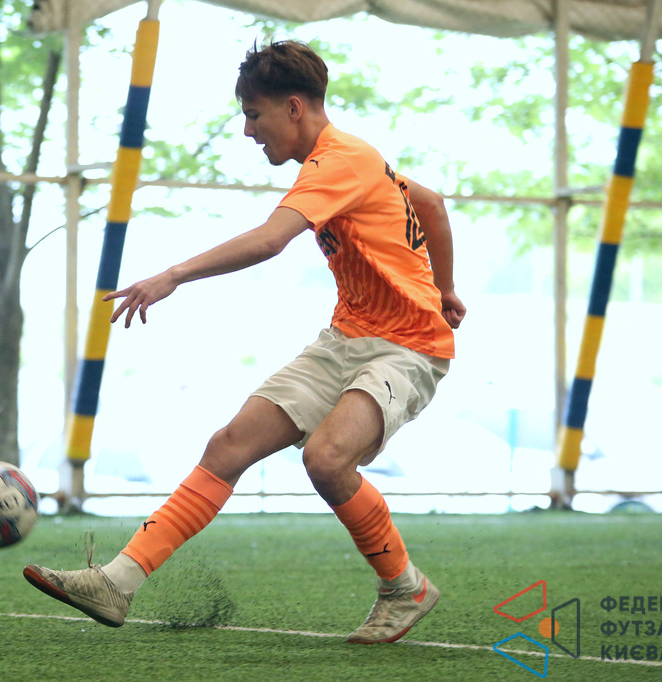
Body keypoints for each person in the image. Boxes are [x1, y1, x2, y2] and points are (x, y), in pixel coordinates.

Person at [25, 40, 466, 644]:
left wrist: (173, 275)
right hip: (347, 336)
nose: (247, 130)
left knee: (327, 459)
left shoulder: (339, 160)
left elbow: (268, 240)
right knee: (229, 445)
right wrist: (446, 287)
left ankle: (404, 586)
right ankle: (115, 583)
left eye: (254, 114)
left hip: (407, 347)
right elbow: (431, 204)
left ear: (293, 107)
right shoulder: (352, 159)